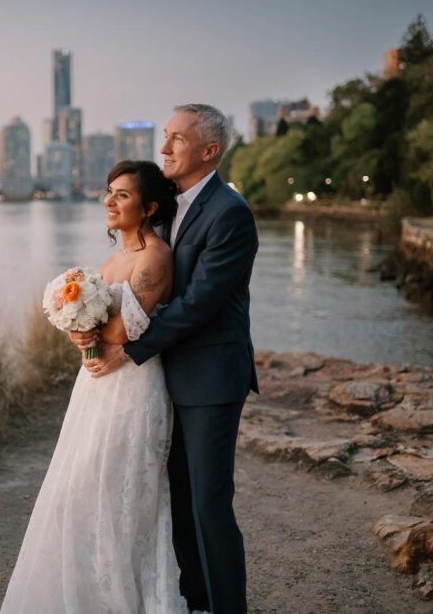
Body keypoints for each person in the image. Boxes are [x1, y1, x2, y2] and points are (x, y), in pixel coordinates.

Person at [80, 104, 259, 614]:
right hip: (164, 376)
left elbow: (200, 301)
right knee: (178, 501)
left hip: (209, 378)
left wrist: (129, 347)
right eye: (165, 137)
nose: (165, 149)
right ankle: (198, 601)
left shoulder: (230, 213)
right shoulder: (173, 207)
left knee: (208, 504)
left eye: (177, 140)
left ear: (210, 151)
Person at [1, 160, 193, 613]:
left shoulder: (156, 257)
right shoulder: (109, 262)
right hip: (93, 388)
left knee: (122, 493)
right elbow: (94, 324)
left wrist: (85, 320)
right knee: (81, 487)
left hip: (135, 388)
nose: (109, 201)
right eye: (109, 192)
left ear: (147, 207)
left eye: (122, 195)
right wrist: (74, 327)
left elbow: (126, 332)